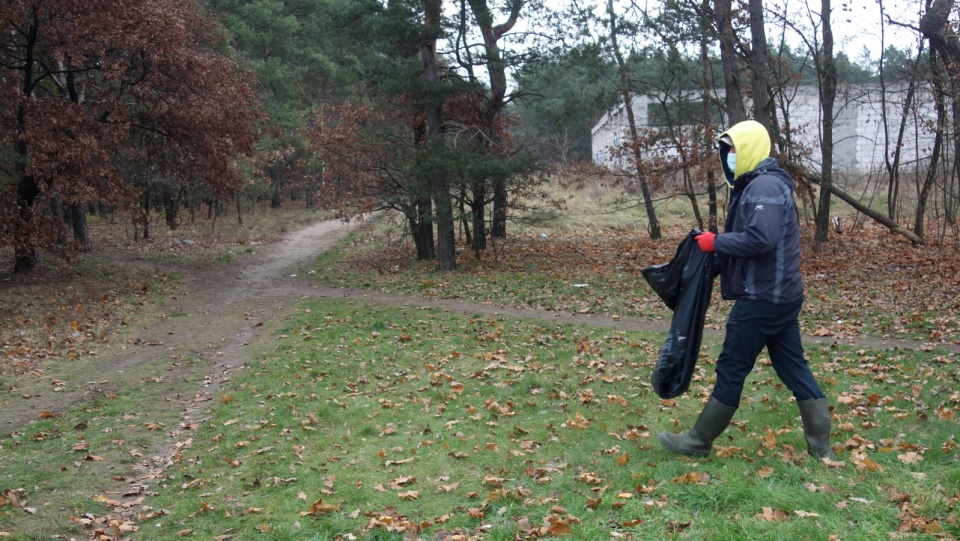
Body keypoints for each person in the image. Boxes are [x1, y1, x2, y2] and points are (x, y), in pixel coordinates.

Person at [657, 119, 837, 460]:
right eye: (728, 151)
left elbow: (760, 240)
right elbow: (761, 244)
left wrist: (716, 242)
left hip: (763, 298)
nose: (731, 157)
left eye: (735, 150)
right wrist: (712, 262)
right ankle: (822, 449)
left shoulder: (764, 188)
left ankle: (699, 440)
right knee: (793, 368)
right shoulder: (758, 184)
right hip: (780, 295)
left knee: (732, 368)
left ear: (752, 148)